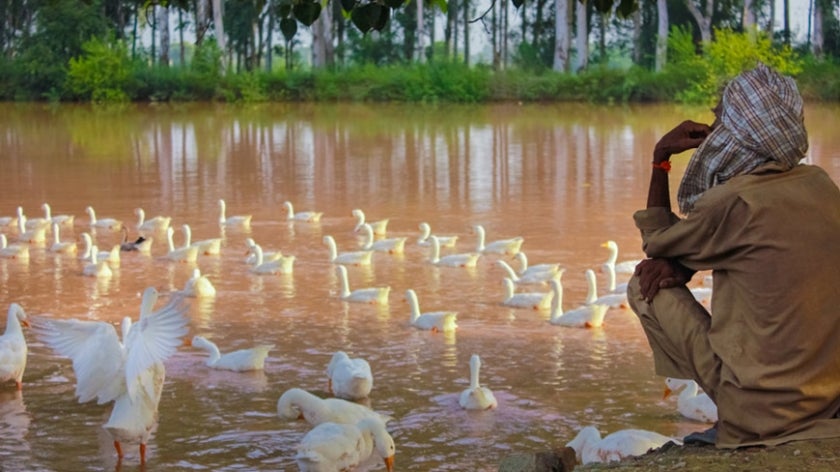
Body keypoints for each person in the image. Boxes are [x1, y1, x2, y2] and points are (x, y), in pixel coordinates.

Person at [627, 63, 840, 449]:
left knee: (643, 282)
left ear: (736, 130)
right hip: (827, 401)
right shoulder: (823, 186)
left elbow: (656, 241)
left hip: (757, 415)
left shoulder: (732, 201)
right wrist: (683, 262)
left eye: (719, 119)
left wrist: (661, 159)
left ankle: (734, 414)